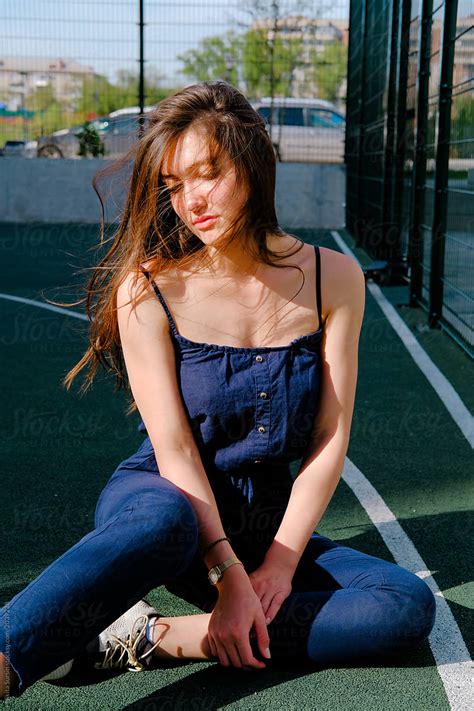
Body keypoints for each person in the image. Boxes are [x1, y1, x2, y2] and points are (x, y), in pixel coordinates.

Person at [0, 81, 436, 699]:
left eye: (208, 173)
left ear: (253, 164)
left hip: (263, 525)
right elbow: (174, 451)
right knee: (165, 521)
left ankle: (157, 636)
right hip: (164, 503)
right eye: (174, 186)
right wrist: (229, 575)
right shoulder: (146, 289)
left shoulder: (332, 279)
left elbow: (329, 438)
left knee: (404, 605)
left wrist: (278, 564)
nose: (191, 201)